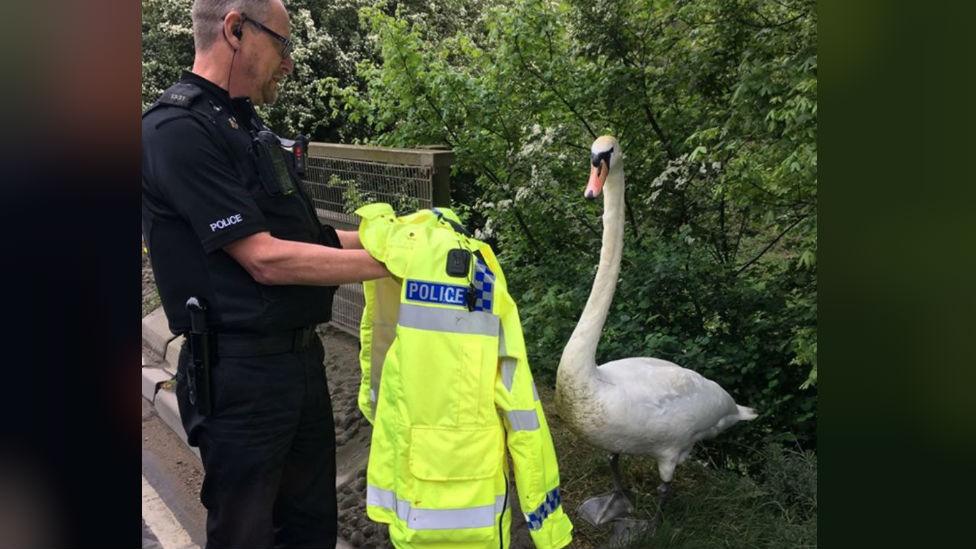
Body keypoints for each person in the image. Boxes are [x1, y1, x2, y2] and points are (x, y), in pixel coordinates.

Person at [142, 1, 389, 547]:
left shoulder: (248, 128)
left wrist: (403, 239)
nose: (290, 63)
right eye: (283, 43)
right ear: (235, 29)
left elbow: (309, 243)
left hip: (299, 365)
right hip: (239, 378)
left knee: (311, 528)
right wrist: (395, 264)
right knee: (248, 534)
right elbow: (264, 258)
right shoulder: (175, 131)